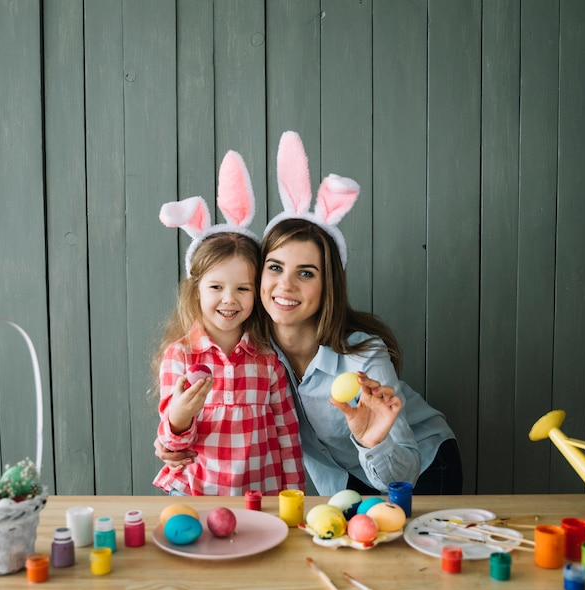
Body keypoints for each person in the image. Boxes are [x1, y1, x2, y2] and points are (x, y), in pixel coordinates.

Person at [156, 131, 462, 496]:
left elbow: (402, 475)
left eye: (305, 273)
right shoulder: (254, 354)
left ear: (327, 284)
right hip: (342, 481)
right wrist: (172, 439)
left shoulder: (364, 357)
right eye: (274, 268)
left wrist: (372, 440)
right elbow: (211, 419)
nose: (285, 286)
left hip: (421, 468)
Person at [152, 149, 305, 496]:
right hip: (196, 492)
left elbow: (287, 436)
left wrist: (294, 497)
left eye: (242, 288)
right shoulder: (181, 356)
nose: (229, 299)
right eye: (216, 287)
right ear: (196, 291)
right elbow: (171, 445)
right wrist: (179, 415)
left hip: (260, 494)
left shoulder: (267, 361)